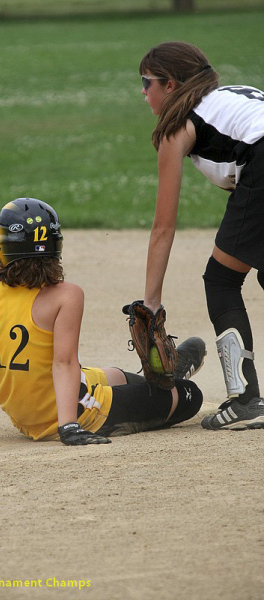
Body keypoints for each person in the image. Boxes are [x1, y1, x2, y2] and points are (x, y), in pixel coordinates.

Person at [0, 197, 204, 446]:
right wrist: (68, 427)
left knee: (115, 375)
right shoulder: (67, 295)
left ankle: (160, 377)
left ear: (5, 248)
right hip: (75, 415)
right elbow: (64, 363)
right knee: (188, 396)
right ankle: (174, 379)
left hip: (27, 417)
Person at [138, 41, 264, 430]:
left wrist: (151, 303)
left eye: (147, 82)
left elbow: (163, 227)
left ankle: (245, 400)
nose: (143, 92)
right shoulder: (224, 98)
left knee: (222, 279)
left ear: (171, 85)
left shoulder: (177, 128)